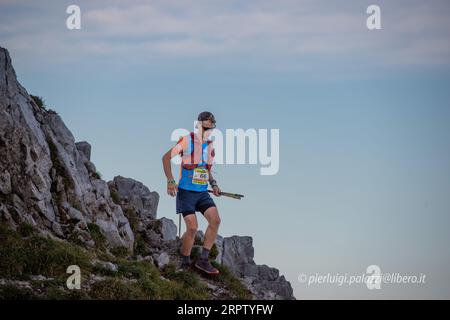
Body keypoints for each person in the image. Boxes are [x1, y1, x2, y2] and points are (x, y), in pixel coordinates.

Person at [162, 111, 222, 275]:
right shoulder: (187, 140)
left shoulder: (209, 146)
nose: (208, 129)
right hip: (186, 192)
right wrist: (170, 180)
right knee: (193, 228)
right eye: (206, 125)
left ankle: (203, 260)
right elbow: (166, 158)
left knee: (215, 220)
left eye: (211, 126)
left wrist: (214, 184)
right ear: (199, 124)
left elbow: (205, 170)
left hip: (202, 193)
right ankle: (186, 261)